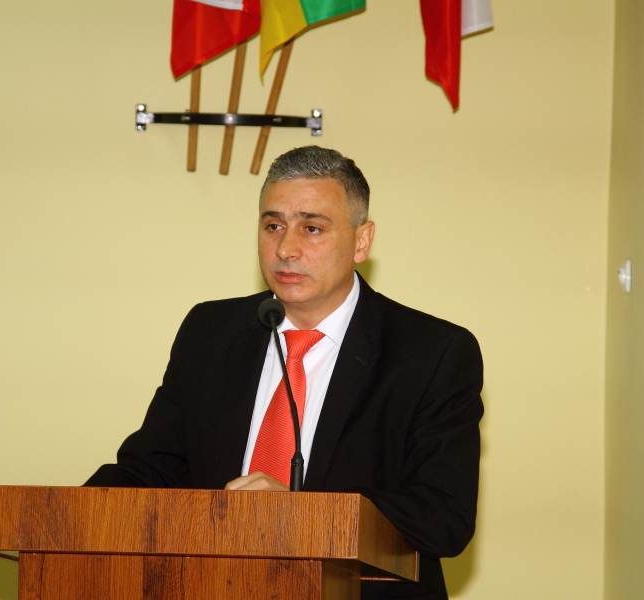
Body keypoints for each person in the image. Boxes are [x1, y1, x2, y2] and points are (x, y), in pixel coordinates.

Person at [85, 146, 484, 600]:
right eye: (273, 225)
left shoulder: (432, 352)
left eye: (312, 228)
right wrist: (58, 515)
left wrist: (299, 514)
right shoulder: (209, 332)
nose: (285, 249)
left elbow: (443, 517)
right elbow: (150, 470)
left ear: (361, 241)